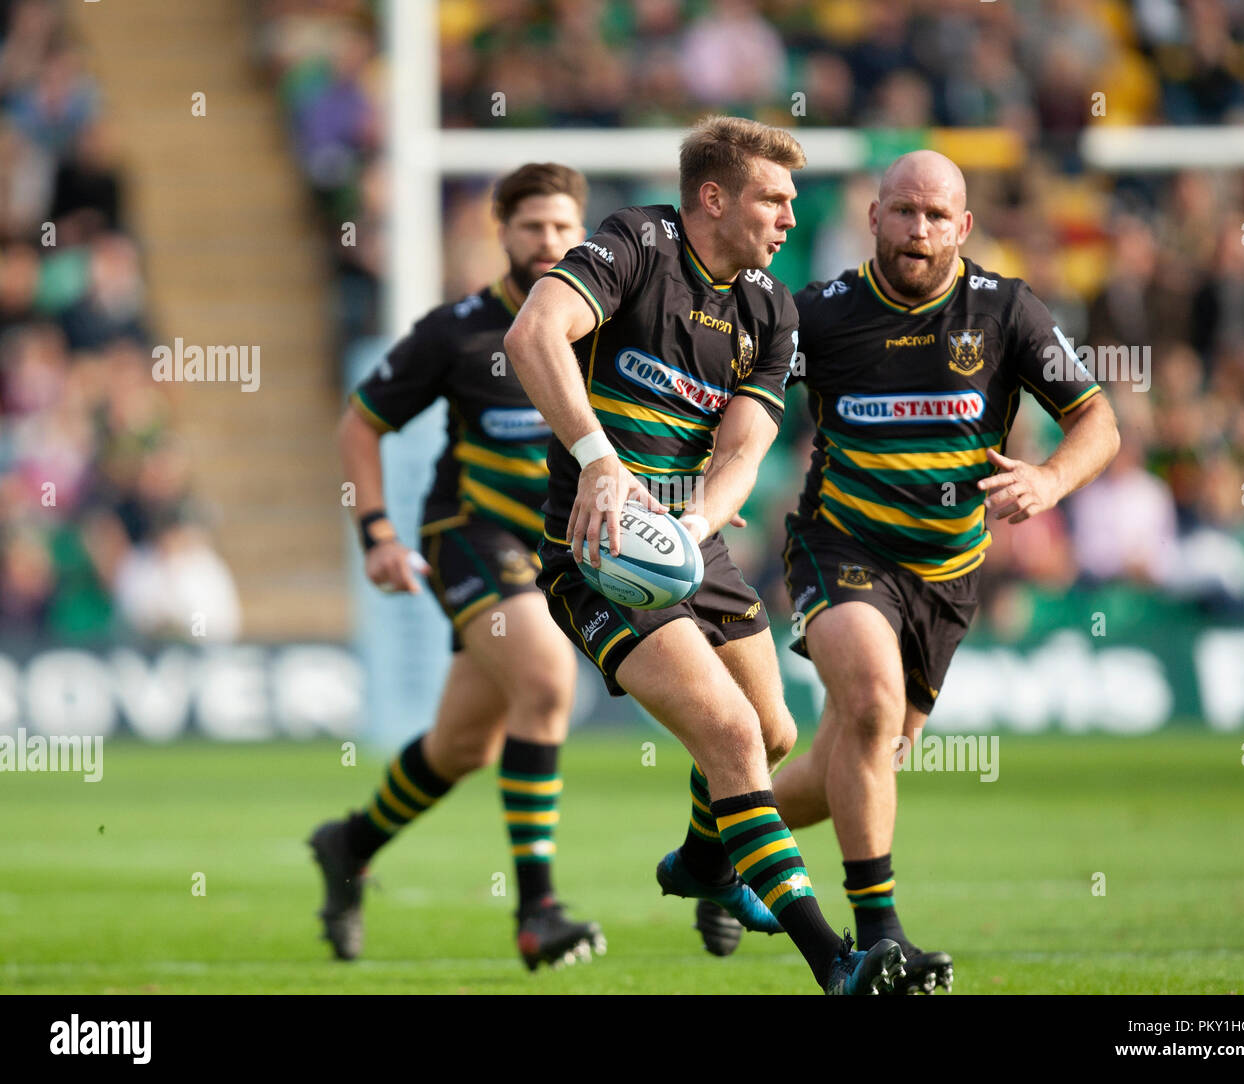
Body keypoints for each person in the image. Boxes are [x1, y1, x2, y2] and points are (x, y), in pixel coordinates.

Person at [503, 114, 906, 995]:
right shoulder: (635, 244)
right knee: (729, 735)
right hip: (598, 549)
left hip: (686, 544)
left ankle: (705, 862)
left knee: (775, 731)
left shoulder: (770, 306)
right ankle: (835, 961)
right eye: (775, 198)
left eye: (795, 202)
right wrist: (599, 464)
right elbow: (532, 334)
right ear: (713, 199)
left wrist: (693, 531)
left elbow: (743, 450)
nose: (791, 219)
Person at [707, 149, 1119, 992]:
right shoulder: (816, 314)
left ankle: (724, 846)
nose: (918, 231)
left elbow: (1098, 421)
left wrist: (1048, 478)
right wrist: (715, 483)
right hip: (841, 545)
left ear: (963, 227)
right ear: (874, 218)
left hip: (949, 572)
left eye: (937, 217)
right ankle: (878, 939)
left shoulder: (1009, 312)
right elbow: (735, 396)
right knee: (867, 701)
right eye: (903, 212)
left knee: (857, 759)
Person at [309, 163, 606, 971]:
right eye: (532, 227)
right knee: (547, 679)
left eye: (563, 228)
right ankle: (538, 910)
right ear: (500, 231)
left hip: (554, 552)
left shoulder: (612, 328)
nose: (549, 243)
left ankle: (350, 843)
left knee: (462, 745)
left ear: (584, 233)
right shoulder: (459, 330)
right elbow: (360, 426)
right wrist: (375, 531)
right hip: (469, 537)